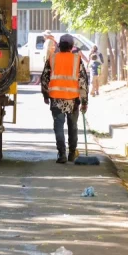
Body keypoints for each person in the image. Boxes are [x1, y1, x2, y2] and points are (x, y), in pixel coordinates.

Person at [41, 34, 89, 164]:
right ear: (72, 46)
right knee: (72, 126)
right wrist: (84, 102)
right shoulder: (77, 59)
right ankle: (72, 153)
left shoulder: (52, 58)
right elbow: (83, 82)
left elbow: (44, 78)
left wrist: (45, 95)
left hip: (56, 99)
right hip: (73, 100)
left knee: (58, 126)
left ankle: (61, 154)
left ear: (59, 46)